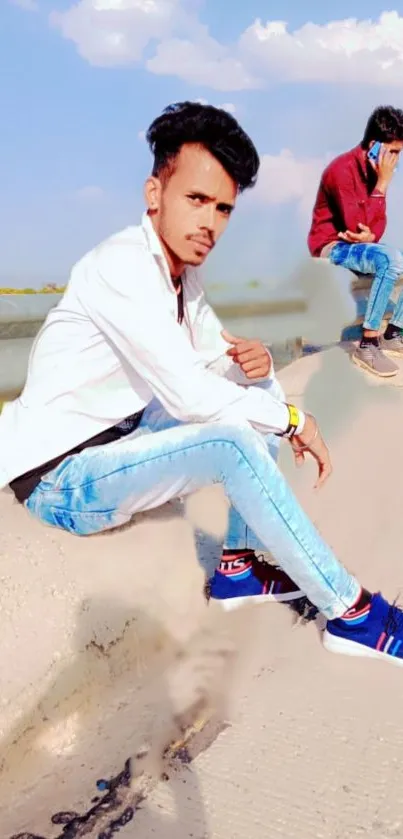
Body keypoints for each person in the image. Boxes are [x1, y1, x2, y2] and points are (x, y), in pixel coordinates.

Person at [1, 101, 403, 665]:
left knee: (251, 390)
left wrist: (256, 363)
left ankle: (237, 566)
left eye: (223, 208)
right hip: (59, 476)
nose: (210, 222)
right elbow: (191, 396)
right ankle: (350, 611)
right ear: (154, 194)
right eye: (196, 199)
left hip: (121, 440)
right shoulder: (119, 267)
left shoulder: (182, 277)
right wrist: (295, 421)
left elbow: (218, 354)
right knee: (233, 438)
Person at [308, 105, 403, 378]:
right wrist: (382, 185)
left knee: (392, 256)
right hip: (331, 246)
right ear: (375, 145)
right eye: (393, 152)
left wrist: (370, 234)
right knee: (390, 259)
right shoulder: (342, 170)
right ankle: (368, 344)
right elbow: (354, 225)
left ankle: (393, 333)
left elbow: (376, 227)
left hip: (357, 245)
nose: (396, 160)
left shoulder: (374, 169)